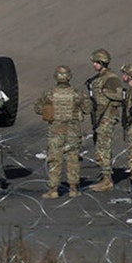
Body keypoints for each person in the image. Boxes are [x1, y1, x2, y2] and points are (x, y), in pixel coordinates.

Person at [35, 65, 90, 198]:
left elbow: (38, 108)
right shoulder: (77, 94)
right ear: (69, 77)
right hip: (73, 131)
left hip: (56, 131)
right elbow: (88, 109)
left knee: (54, 160)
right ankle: (73, 189)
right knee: (73, 160)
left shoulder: (49, 94)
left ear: (56, 77)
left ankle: (53, 190)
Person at [86, 48, 124, 191]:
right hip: (99, 117)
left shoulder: (111, 78)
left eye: (96, 62)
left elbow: (119, 96)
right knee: (99, 147)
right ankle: (105, 177)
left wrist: (103, 92)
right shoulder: (98, 78)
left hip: (107, 116)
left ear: (102, 62)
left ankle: (107, 180)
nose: (94, 65)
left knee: (104, 147)